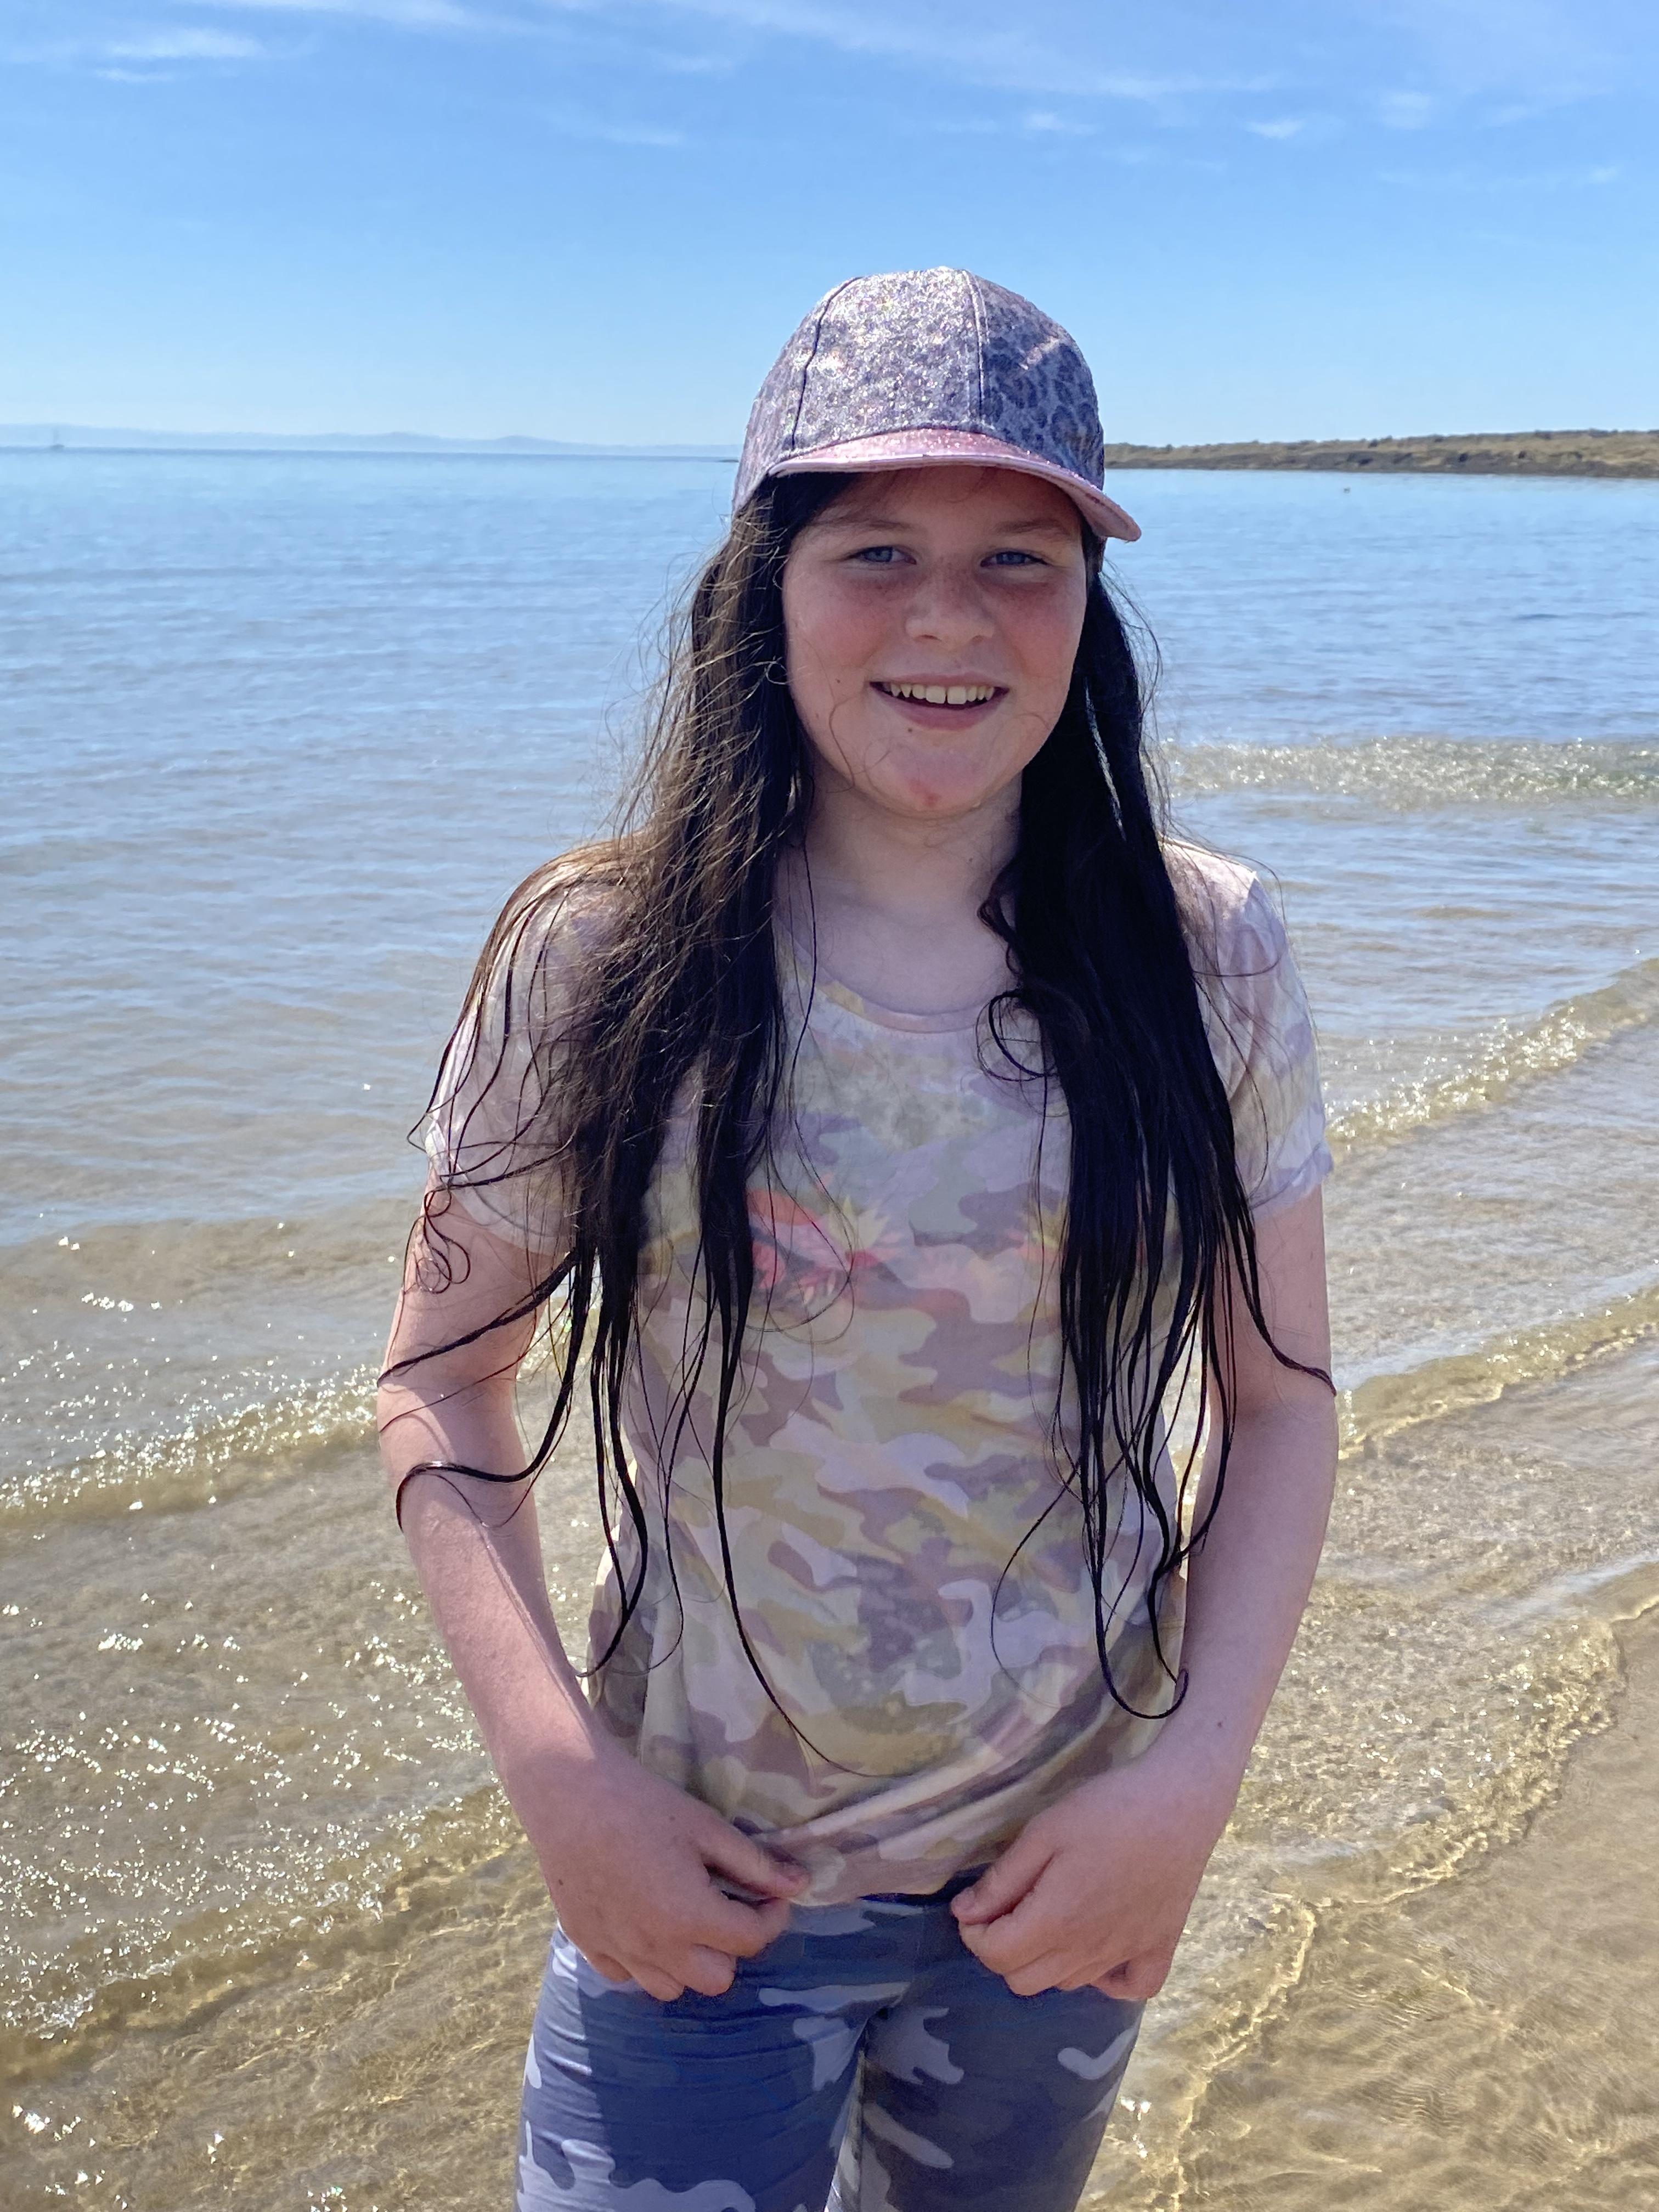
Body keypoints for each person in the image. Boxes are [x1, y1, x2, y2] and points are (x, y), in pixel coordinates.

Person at [377, 266, 1337, 2212]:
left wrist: (1186, 1792)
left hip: (1057, 1889)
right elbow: (438, 1383)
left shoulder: (1206, 954)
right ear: (766, 588)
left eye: (1019, 560)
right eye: (876, 549)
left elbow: (1283, 1404)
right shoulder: (601, 958)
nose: (947, 620)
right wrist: (567, 1791)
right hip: (700, 1891)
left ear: (1090, 604)